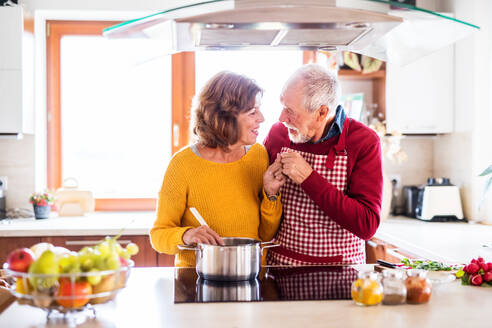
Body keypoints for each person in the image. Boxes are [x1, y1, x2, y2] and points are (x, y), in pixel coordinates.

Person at [150, 71, 285, 267]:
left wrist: (271, 195)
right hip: (197, 282)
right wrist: (186, 235)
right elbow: (158, 236)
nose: (262, 118)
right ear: (225, 118)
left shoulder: (258, 155)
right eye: (252, 112)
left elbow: (264, 235)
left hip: (249, 277)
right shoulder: (182, 164)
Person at [264, 64, 383, 265]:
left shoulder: (364, 141)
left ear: (322, 113)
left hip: (342, 273)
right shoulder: (279, 134)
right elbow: (259, 201)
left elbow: (367, 224)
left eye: (290, 111)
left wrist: (309, 179)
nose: (282, 118)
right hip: (282, 269)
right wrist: (269, 192)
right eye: (282, 106)